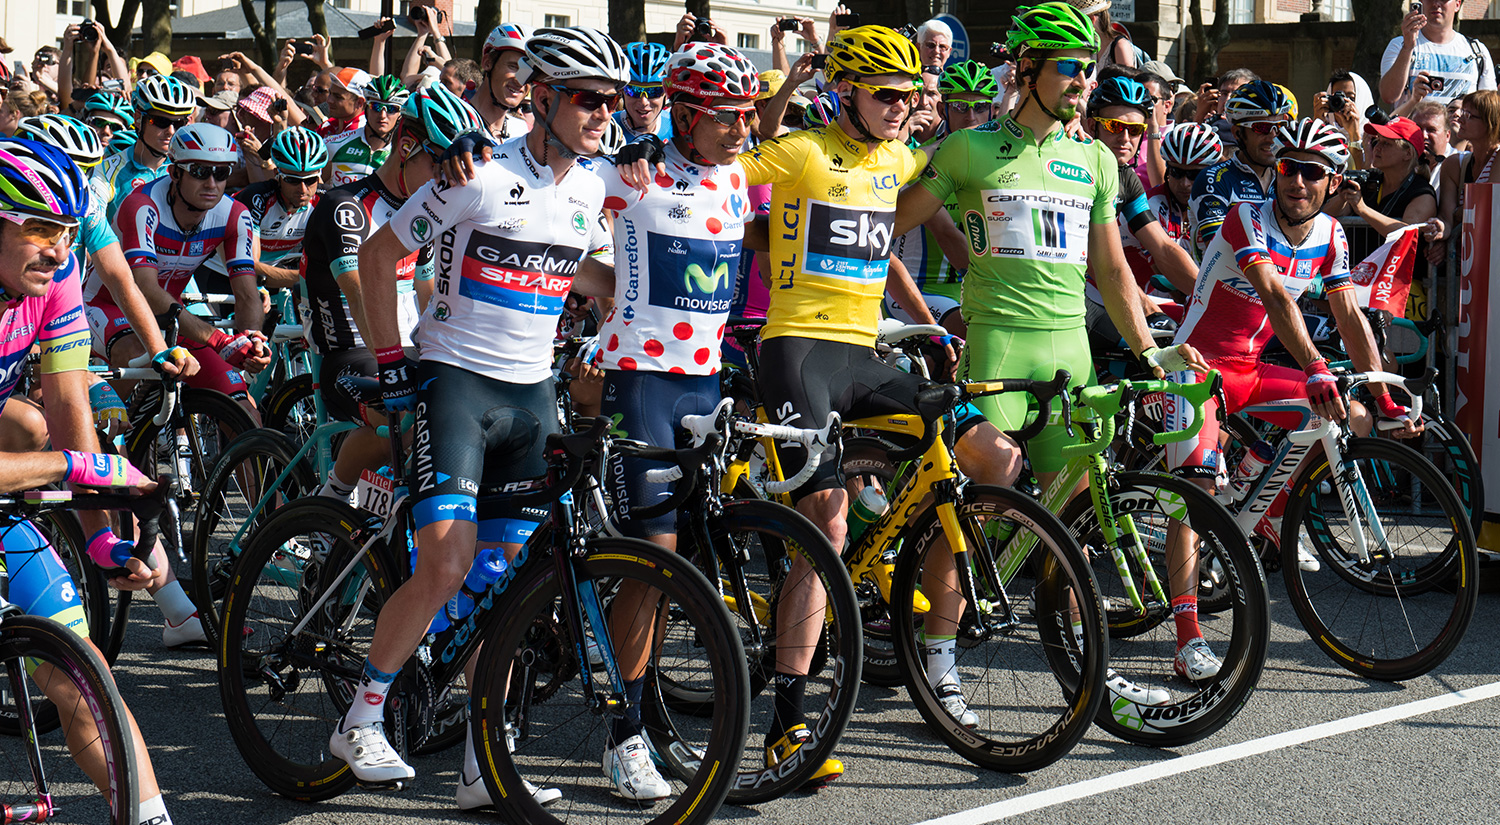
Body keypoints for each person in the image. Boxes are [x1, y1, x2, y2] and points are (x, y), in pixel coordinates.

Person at [331, 29, 619, 810]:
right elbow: (379, 253)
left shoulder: (589, 187)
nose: (602, 112)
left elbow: (577, 263)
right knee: (448, 566)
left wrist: (629, 281)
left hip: (532, 395)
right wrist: (389, 359)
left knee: (501, 584)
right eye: (589, 97)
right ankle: (361, 717)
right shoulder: (477, 173)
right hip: (455, 382)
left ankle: (480, 762)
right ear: (547, 96)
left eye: (612, 100)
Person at [587, 41, 760, 801]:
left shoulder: (738, 176)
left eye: (749, 113)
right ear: (686, 114)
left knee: (683, 554)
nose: (742, 127)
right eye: (728, 115)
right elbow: (552, 190)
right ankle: (621, 732)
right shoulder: (633, 173)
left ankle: (645, 699)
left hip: (705, 381)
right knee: (652, 555)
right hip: (640, 381)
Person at [1164, 118, 1420, 617]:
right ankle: (1187, 632)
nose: (1296, 181)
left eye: (1311, 172)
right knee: (1194, 496)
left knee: (1351, 415)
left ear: (1331, 182)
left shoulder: (1331, 234)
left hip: (1249, 370)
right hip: (1194, 367)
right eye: (1287, 168)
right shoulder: (1245, 216)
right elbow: (1276, 297)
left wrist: (1383, 396)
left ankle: (1267, 508)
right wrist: (1317, 365)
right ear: (1275, 172)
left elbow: (1348, 315)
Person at [0, 137, 179, 825]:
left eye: (68, 232)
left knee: (84, 679)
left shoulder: (57, 273)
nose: (57, 248)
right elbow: (68, 454)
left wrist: (101, 532)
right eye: (40, 228)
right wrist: (76, 470)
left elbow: (70, 402)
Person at [299, 88, 460, 508]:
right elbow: (357, 293)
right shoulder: (346, 207)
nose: (447, 182)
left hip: (397, 348)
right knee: (408, 421)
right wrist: (395, 365)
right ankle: (330, 499)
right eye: (439, 166)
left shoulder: (422, 210)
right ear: (406, 146)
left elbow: (428, 292)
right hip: (347, 353)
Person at [86, 123, 271, 428]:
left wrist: (252, 338)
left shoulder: (235, 215)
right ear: (174, 173)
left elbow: (248, 294)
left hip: (171, 314)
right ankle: (99, 435)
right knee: (134, 352)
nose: (212, 183)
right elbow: (144, 287)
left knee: (245, 414)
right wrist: (218, 339)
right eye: (199, 171)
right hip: (109, 306)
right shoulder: (142, 205)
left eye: (221, 173)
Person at [1082, 75, 1201, 347]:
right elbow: (1096, 261)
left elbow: (1163, 247)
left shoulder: (1125, 177)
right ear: (1092, 126)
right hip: (1070, 290)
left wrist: (1212, 298)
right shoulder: (1078, 171)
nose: (1125, 138)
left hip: (1105, 287)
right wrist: (1146, 306)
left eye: (1135, 130)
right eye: (1115, 126)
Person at [886, 60, 995, 334]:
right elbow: (947, 236)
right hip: (916, 289)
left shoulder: (998, 163)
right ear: (942, 109)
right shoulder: (924, 161)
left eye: (980, 107)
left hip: (965, 289)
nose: (971, 118)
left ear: (993, 110)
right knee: (976, 328)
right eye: (960, 107)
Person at [1188, 79, 1293, 259]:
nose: (1273, 137)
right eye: (1262, 128)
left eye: (1279, 128)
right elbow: (1221, 250)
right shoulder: (1214, 179)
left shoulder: (1289, 177)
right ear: (1238, 133)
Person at [91, 74, 197, 224]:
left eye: (179, 123)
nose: (171, 131)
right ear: (138, 119)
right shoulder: (107, 170)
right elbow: (93, 227)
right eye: (161, 121)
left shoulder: (190, 169)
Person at [1325, 116, 1439, 239]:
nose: (1377, 147)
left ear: (1408, 153)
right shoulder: (1369, 179)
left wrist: (1362, 209)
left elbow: (1408, 235)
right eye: (1377, 141)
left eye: (1386, 143)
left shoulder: (1421, 193)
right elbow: (1323, 217)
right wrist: (1342, 198)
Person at [1380, 0, 1495, 108]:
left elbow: (1488, 108)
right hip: (1412, 129)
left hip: (1460, 129)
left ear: (1457, 4)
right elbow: (1389, 96)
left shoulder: (1477, 51)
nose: (1436, 3)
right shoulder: (1400, 45)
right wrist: (1407, 47)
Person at [1430, 89, 1500, 265]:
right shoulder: (1453, 165)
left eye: (1468, 115)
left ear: (1490, 123)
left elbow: (1485, 210)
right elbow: (1447, 217)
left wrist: (1458, 216)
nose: (1459, 118)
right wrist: (1443, 230)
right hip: (1469, 268)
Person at [324, 74, 405, 186]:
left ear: (400, 114)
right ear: (366, 108)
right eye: (375, 106)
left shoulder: (404, 154)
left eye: (391, 109)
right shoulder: (335, 144)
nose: (382, 115)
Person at [472, 24, 532, 139]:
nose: (521, 81)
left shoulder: (522, 131)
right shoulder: (453, 118)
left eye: (530, 73)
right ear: (487, 62)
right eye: (514, 67)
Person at [615, 41, 673, 143]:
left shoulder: (678, 129)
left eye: (653, 91)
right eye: (633, 90)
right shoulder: (605, 127)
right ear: (621, 91)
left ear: (666, 93)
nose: (643, 102)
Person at [317, 67, 371, 138]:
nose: (329, 100)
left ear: (359, 103)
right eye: (330, 93)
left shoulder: (360, 132)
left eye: (338, 97)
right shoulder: (330, 125)